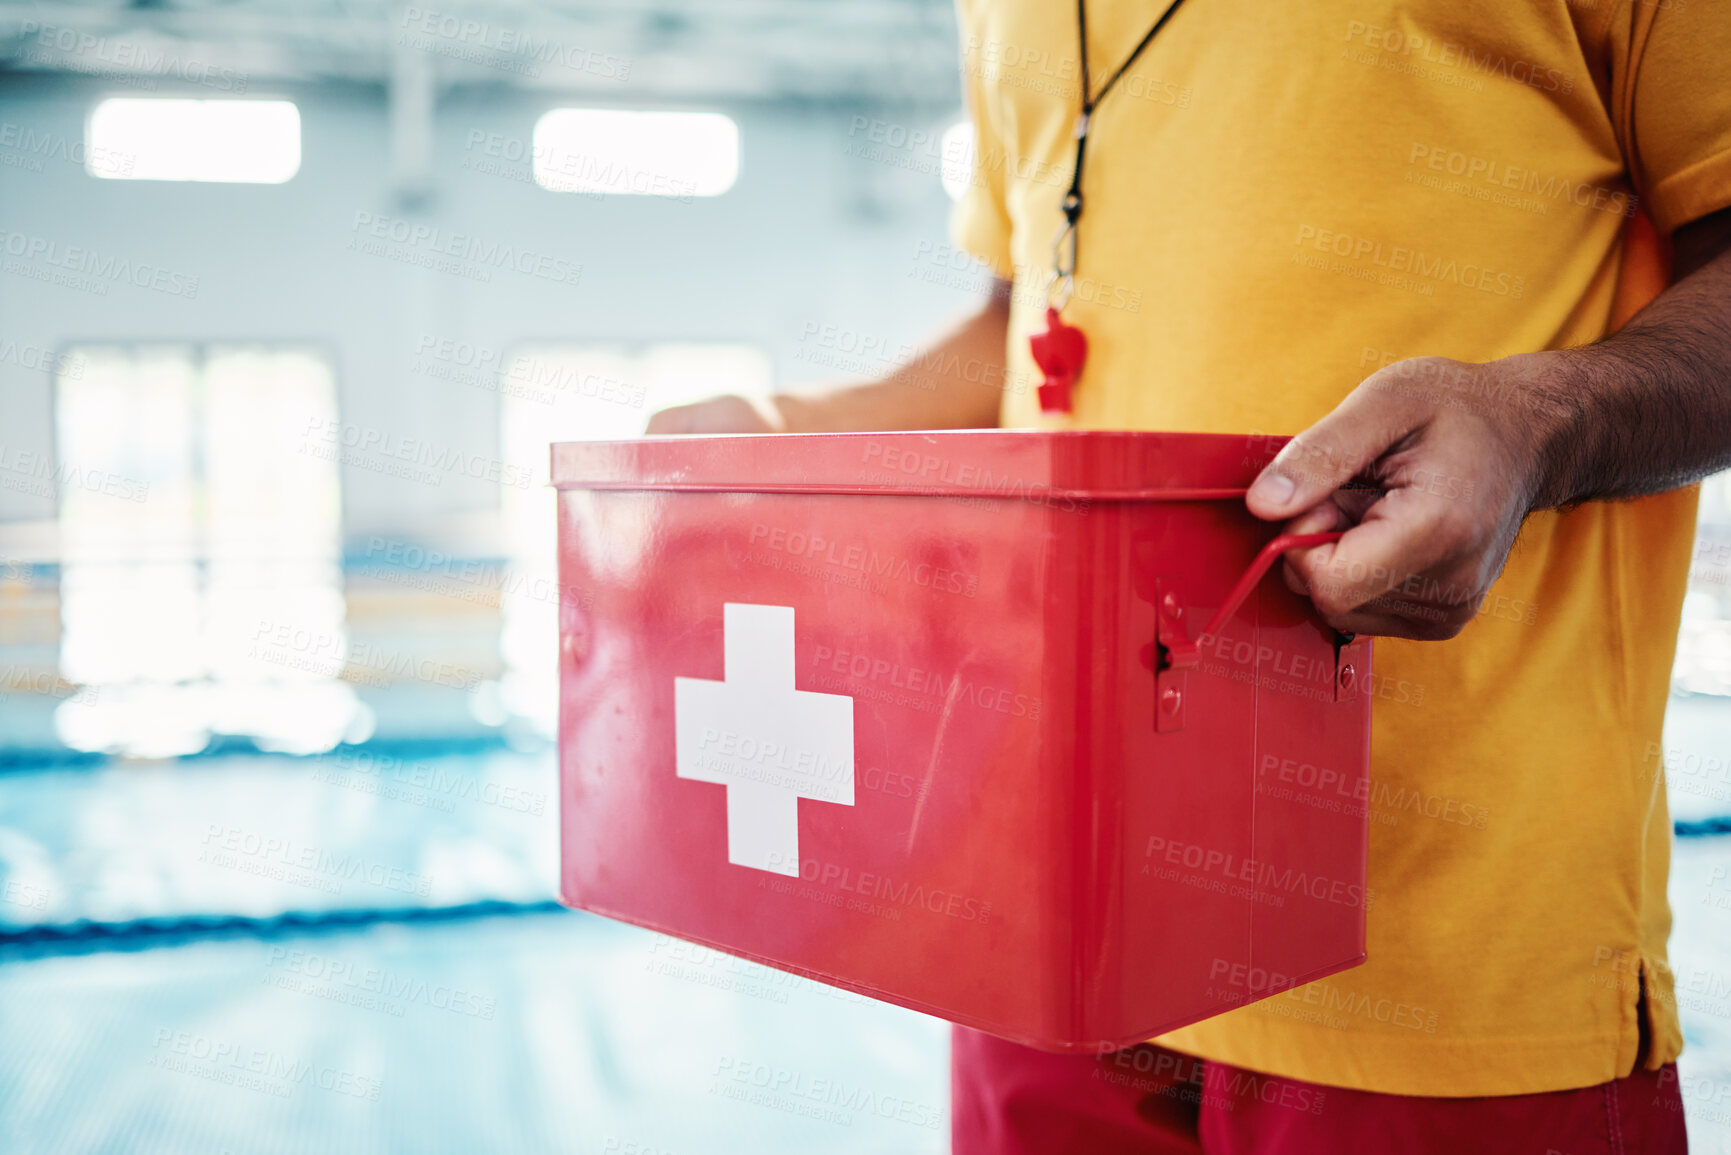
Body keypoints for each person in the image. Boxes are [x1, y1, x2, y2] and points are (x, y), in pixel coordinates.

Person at [651, 2, 1731, 1150]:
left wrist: (1538, 426)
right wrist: (782, 431)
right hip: (1045, 919)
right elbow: (1028, 332)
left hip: (1437, 960)